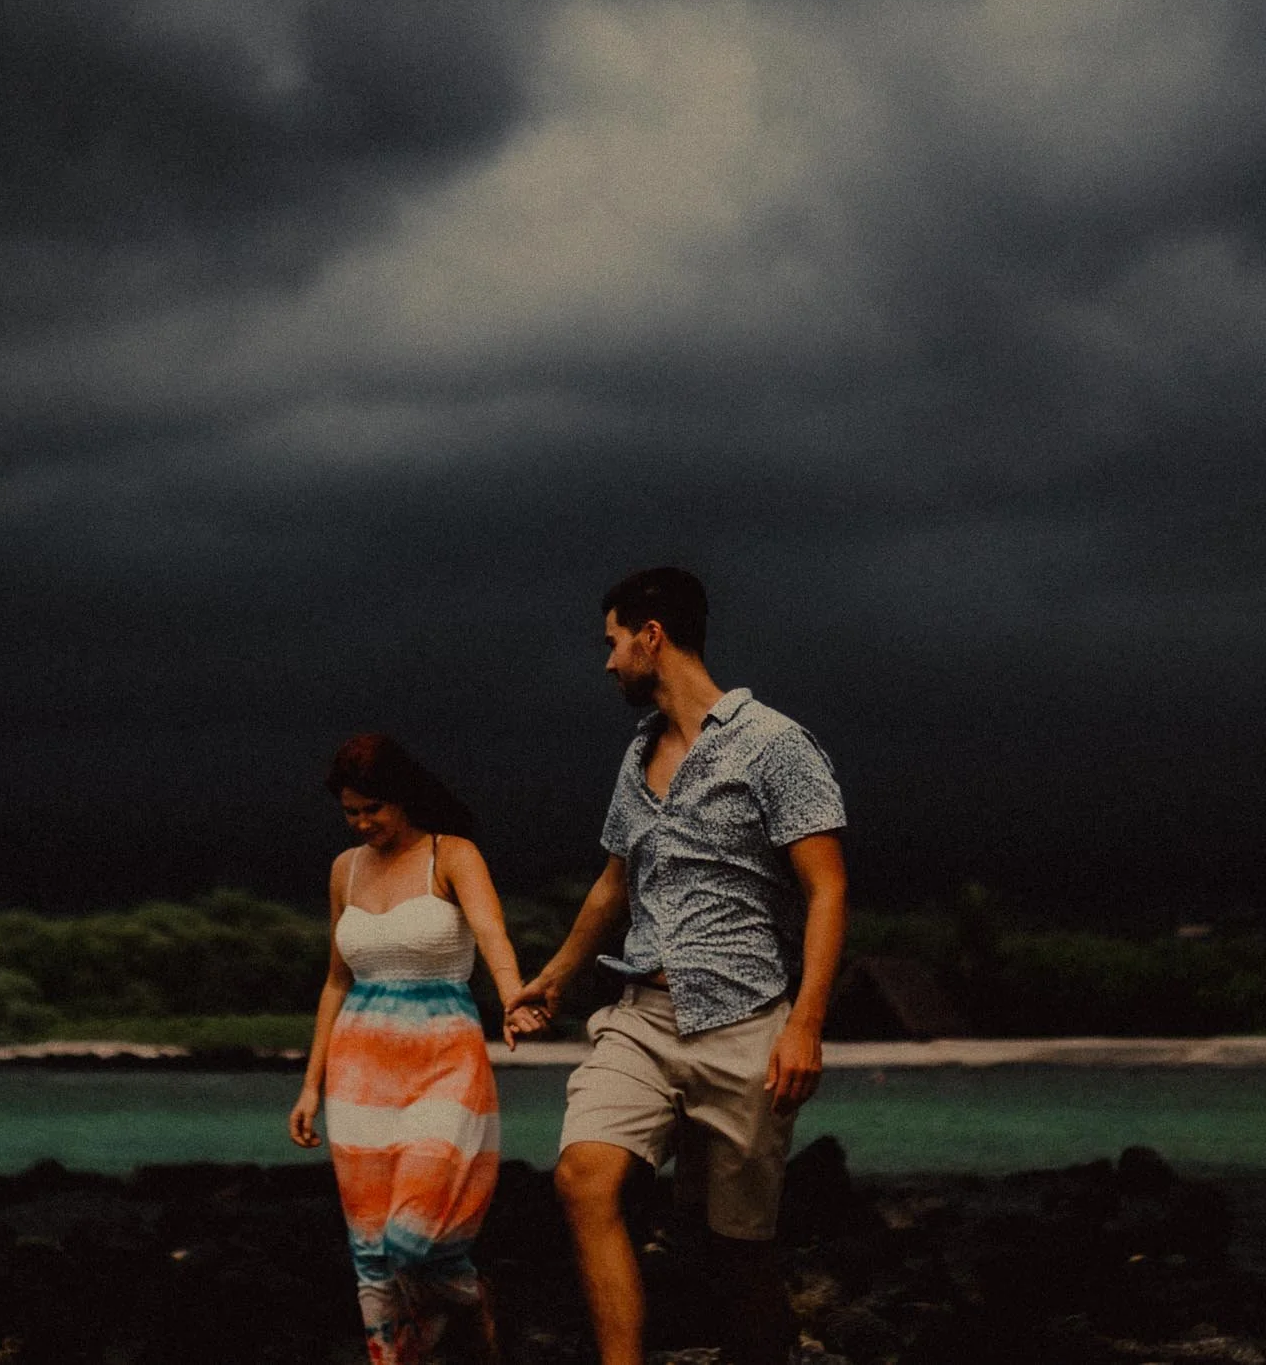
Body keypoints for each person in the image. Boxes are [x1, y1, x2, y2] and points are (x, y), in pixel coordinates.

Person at [506, 567, 848, 1365]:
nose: (607, 661)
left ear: (651, 636)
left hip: (746, 1028)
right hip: (642, 1019)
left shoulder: (774, 743)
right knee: (583, 1180)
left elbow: (827, 890)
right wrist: (553, 975)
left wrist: (806, 1025)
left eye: (613, 641)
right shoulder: (636, 757)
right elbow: (613, 885)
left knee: (736, 1250)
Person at [290, 733, 525, 1365]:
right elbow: (336, 980)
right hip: (357, 1072)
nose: (364, 823)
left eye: (374, 809)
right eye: (351, 812)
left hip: (444, 1061)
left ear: (404, 798)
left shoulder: (452, 855)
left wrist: (513, 998)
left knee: (410, 1240)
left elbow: (492, 933)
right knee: (371, 1254)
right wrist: (310, 1085)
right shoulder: (345, 869)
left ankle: (472, 1295)